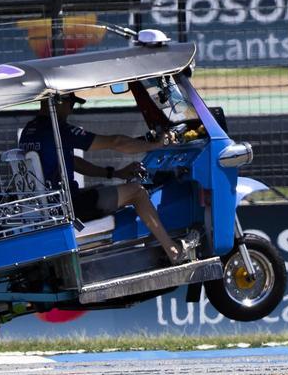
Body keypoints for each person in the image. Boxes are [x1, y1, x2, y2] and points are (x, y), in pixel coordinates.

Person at [19, 94, 186, 264]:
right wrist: (156, 145)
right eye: (71, 104)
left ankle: (151, 242)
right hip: (69, 208)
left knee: (101, 189)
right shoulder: (59, 130)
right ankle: (172, 250)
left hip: (51, 206)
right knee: (137, 192)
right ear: (58, 102)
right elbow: (116, 142)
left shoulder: (29, 131)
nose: (71, 110)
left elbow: (74, 162)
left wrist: (114, 173)